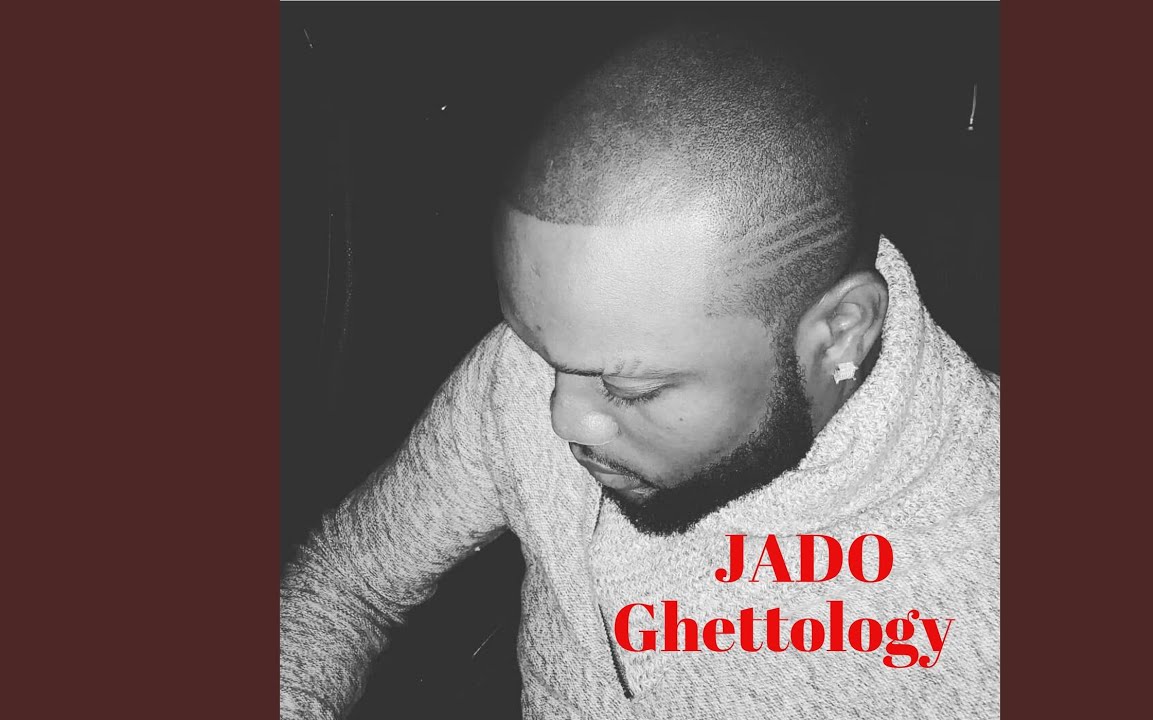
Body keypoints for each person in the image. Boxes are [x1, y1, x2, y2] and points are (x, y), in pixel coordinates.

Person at [281, 23, 999, 720]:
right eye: (538, 348)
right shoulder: (539, 370)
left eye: (634, 389)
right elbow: (352, 584)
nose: (561, 418)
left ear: (841, 334)